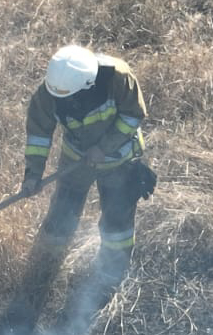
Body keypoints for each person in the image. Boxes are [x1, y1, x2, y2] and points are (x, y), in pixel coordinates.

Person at [19, 44, 157, 285]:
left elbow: (133, 114)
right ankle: (44, 269)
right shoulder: (51, 91)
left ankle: (112, 273)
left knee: (117, 223)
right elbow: (39, 135)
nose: (64, 100)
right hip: (76, 162)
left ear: (87, 85)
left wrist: (104, 147)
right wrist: (33, 175)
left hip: (119, 161)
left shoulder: (118, 77)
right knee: (61, 217)